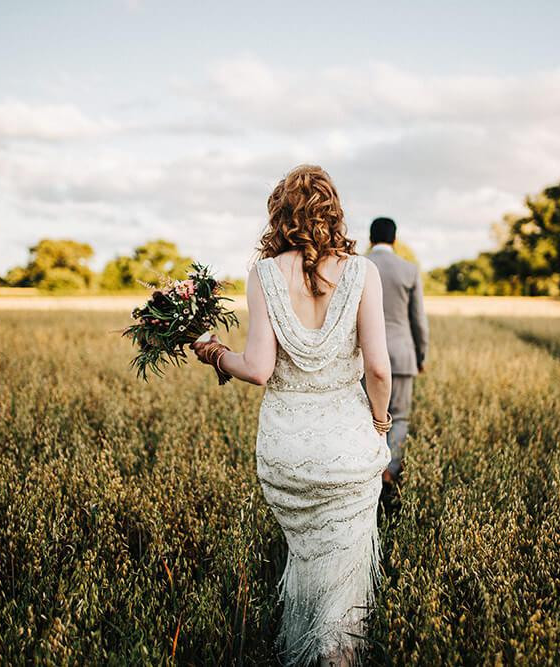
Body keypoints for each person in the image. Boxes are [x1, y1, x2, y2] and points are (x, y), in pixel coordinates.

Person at [191, 164, 392, 667]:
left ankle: (305, 653)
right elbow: (379, 369)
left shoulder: (263, 275)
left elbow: (258, 369)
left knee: (307, 560)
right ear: (333, 212)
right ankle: (336, 654)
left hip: (287, 454)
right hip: (348, 449)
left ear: (280, 214)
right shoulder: (364, 272)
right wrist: (381, 424)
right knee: (343, 578)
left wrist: (215, 352)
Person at [364, 217, 429, 486]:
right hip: (402, 354)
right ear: (394, 239)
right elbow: (418, 320)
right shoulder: (409, 269)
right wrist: (420, 355)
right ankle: (391, 472)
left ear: (370, 238)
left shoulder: (358, 266)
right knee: (399, 416)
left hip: (365, 355)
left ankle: (369, 472)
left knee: (367, 416)